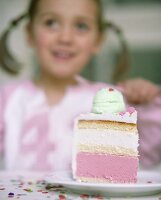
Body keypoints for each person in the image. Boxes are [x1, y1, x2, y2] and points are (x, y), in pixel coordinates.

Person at [0, 0, 161, 171]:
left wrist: (146, 106)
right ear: (30, 34)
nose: (65, 38)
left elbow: (150, 153)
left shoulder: (110, 100)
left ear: (98, 40)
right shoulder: (8, 100)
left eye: (81, 26)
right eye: (51, 23)